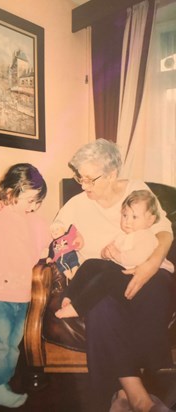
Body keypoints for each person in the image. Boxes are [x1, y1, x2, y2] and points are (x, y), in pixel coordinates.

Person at [54, 139, 175, 412]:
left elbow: (164, 229)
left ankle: (137, 387)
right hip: (101, 275)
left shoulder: (136, 190)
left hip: (146, 267)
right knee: (100, 304)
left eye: (89, 179)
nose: (83, 186)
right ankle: (136, 395)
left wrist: (152, 264)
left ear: (111, 175)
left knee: (155, 289)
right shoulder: (77, 203)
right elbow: (54, 235)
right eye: (79, 178)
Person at [0, 163, 50, 408]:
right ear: (12, 192)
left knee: (13, 342)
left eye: (38, 202)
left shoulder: (34, 221)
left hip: (24, 292)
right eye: (31, 200)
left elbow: (44, 249)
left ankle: (3, 380)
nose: (35, 206)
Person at [55, 190, 174, 319]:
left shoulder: (146, 236)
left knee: (108, 277)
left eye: (134, 217)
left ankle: (78, 308)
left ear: (150, 220)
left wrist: (116, 254)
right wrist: (106, 252)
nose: (128, 221)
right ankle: (70, 295)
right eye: (125, 215)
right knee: (90, 264)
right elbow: (114, 251)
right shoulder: (125, 236)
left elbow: (136, 258)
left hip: (145, 281)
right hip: (127, 273)